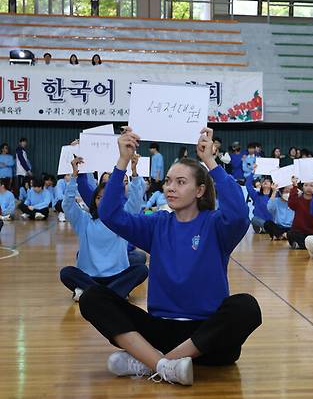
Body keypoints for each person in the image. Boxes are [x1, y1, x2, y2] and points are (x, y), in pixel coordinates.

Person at [79, 126, 261, 386]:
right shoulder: (157, 225)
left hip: (207, 338)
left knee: (246, 306)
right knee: (92, 296)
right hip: (160, 330)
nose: (170, 188)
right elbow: (110, 215)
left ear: (199, 191)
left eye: (180, 182)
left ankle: (148, 363)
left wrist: (210, 161)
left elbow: (239, 214)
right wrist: (122, 160)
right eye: (167, 181)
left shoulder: (216, 225)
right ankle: (163, 365)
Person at [60, 157, 148, 302]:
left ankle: (91, 292)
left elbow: (136, 200)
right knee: (66, 273)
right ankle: (114, 293)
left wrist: (134, 172)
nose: (103, 200)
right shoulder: (84, 220)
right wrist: (74, 176)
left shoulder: (122, 219)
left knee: (141, 270)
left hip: (117, 275)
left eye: (107, 197)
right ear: (94, 200)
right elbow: (68, 205)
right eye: (99, 197)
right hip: (89, 276)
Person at [286, 177, 313, 249]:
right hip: (299, 232)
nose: (308, 188)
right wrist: (294, 186)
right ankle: (304, 245)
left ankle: (301, 245)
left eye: (311, 185)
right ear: (302, 187)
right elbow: (291, 204)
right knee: (290, 234)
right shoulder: (298, 200)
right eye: (306, 185)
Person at [244, 164, 274, 234]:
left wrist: (277, 174)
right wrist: (252, 172)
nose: (265, 182)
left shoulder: (275, 195)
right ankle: (266, 229)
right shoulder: (256, 195)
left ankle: (266, 229)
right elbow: (248, 185)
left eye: (268, 181)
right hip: (260, 222)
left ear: (272, 184)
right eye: (263, 181)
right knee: (254, 219)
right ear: (261, 184)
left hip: (271, 223)